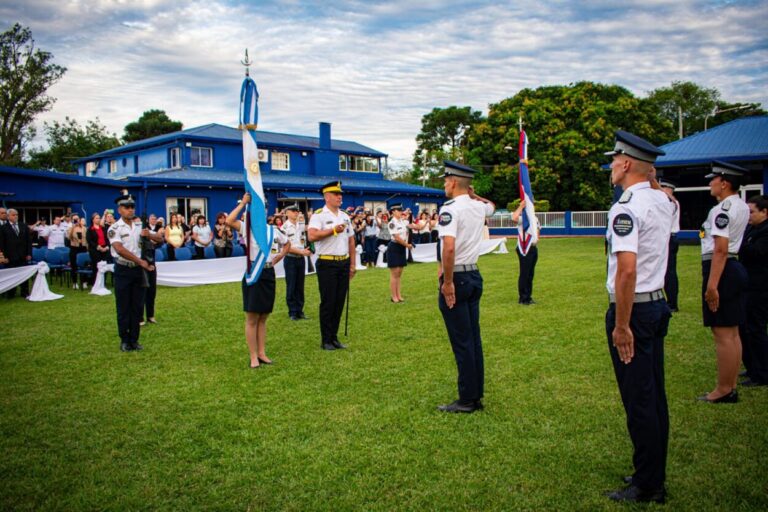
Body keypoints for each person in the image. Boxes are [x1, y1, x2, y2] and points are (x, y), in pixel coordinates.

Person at [603, 130, 673, 504]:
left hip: (636, 309)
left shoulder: (626, 207)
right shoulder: (664, 201)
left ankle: (648, 484)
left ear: (626, 162)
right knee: (654, 396)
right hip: (656, 303)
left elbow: (626, 271)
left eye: (614, 161)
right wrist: (652, 177)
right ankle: (651, 470)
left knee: (639, 399)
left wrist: (622, 324)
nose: (611, 167)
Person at [436, 160, 495, 414]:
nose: (444, 184)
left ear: (453, 182)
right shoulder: (478, 207)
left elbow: (448, 247)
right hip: (473, 274)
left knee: (462, 341)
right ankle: (475, 394)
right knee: (473, 339)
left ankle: (467, 399)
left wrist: (447, 282)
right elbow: (491, 206)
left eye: (446, 180)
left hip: (457, 278)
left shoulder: (450, 209)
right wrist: (474, 194)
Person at [698, 161, 750, 403]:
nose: (711, 183)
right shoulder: (741, 206)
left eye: (714, 179)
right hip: (733, 265)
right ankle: (730, 384)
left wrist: (712, 285)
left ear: (724, 182)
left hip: (722, 268)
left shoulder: (722, 209)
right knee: (733, 332)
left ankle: (724, 389)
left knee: (723, 333)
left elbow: (719, 249)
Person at [226, 193, 290, 368]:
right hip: (254, 273)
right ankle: (253, 355)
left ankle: (262, 353)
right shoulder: (247, 228)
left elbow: (287, 243)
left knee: (263, 317)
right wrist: (243, 203)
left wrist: (280, 256)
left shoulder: (272, 230)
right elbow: (229, 221)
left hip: (268, 274)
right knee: (252, 317)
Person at [108, 193, 163, 352]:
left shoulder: (139, 226)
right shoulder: (115, 228)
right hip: (124, 269)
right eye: (127, 207)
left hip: (139, 270)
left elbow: (159, 240)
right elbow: (119, 249)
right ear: (119, 210)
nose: (130, 210)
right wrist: (141, 262)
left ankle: (134, 339)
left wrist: (150, 234)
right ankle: (124, 340)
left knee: (137, 306)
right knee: (123, 305)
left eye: (132, 207)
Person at [308, 181, 356, 351]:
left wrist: (352, 264)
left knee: (339, 301)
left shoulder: (345, 216)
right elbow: (312, 236)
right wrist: (333, 230)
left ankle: (334, 337)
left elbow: (351, 240)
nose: (339, 196)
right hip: (327, 263)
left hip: (343, 262)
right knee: (328, 302)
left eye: (340, 194)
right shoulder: (319, 215)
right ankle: (326, 339)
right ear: (327, 197)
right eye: (336, 194)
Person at [739, 195, 768, 387]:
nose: (749, 216)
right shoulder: (752, 228)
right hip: (749, 285)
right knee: (746, 328)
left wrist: (740, 246)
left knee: (756, 329)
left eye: (752, 212)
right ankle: (752, 367)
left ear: (765, 212)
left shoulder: (765, 232)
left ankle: (762, 373)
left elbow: (757, 252)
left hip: (760, 287)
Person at [282, 204, 311, 321]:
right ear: (287, 213)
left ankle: (300, 310)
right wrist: (301, 251)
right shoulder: (284, 227)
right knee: (291, 285)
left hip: (300, 258)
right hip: (291, 258)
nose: (296, 213)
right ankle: (292, 311)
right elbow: (286, 247)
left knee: (300, 286)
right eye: (293, 211)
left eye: (297, 211)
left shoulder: (301, 225)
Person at [512, 200, 540, 305]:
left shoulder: (534, 219)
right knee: (525, 273)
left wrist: (537, 238)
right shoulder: (524, 218)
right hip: (524, 248)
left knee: (530, 274)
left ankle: (528, 296)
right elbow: (514, 218)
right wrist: (521, 206)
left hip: (533, 248)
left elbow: (537, 230)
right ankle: (523, 298)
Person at [0, 209, 33, 299]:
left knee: (24, 274)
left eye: (17, 215)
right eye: (13, 215)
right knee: (11, 275)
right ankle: (11, 293)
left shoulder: (23, 226)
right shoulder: (3, 228)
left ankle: (25, 292)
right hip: (10, 257)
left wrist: (29, 253)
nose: (16, 216)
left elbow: (28, 241)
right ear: (8, 216)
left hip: (23, 255)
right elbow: (2, 244)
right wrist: (4, 257)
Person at [386, 203, 415, 303]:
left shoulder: (403, 221)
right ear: (393, 212)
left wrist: (410, 215)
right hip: (394, 247)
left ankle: (399, 295)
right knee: (394, 273)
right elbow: (397, 238)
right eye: (398, 210)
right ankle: (393, 296)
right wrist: (407, 245)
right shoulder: (392, 223)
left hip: (401, 247)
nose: (400, 212)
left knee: (399, 273)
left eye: (401, 210)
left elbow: (413, 226)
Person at [659, 179, 681, 311]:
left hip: (668, 238)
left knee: (669, 272)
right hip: (670, 238)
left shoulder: (669, 201)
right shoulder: (673, 201)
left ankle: (672, 303)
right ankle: (671, 301)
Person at [67, 215, 88, 289]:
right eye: (74, 219)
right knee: (74, 266)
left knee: (84, 265)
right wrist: (73, 227)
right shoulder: (70, 228)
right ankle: (74, 282)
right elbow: (68, 237)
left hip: (83, 248)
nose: (76, 220)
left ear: (79, 219)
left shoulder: (84, 228)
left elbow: (87, 239)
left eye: (77, 219)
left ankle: (84, 282)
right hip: (74, 248)